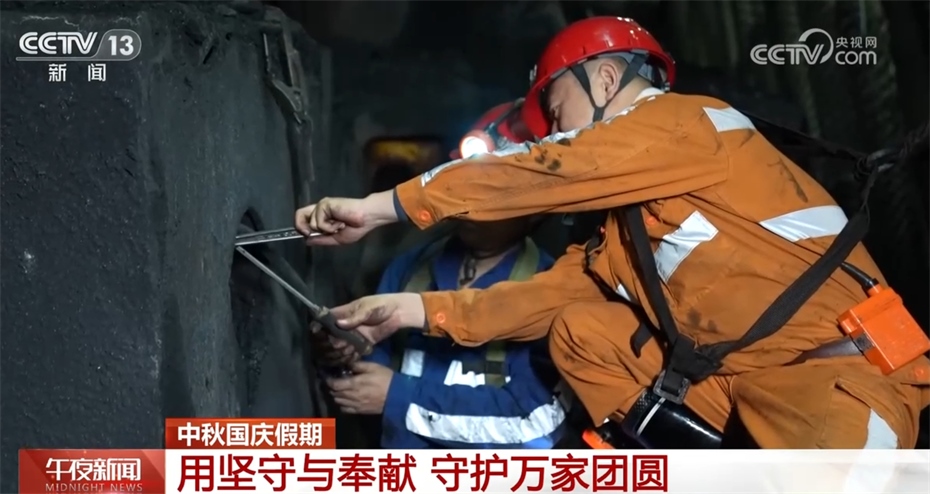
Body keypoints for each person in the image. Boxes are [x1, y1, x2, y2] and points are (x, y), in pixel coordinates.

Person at [297, 17, 930, 450]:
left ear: (604, 80)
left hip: (840, 380)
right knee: (582, 332)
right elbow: (543, 300)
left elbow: (552, 167)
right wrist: (405, 311)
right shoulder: (624, 232)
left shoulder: (690, 123)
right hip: (742, 392)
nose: (553, 133)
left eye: (558, 112)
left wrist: (382, 207)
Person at [321, 100, 571, 449]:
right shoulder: (412, 268)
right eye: (466, 187)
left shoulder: (551, 293)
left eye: (493, 195)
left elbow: (534, 419)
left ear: (535, 213)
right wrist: (346, 350)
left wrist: (398, 396)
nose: (470, 206)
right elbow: (376, 364)